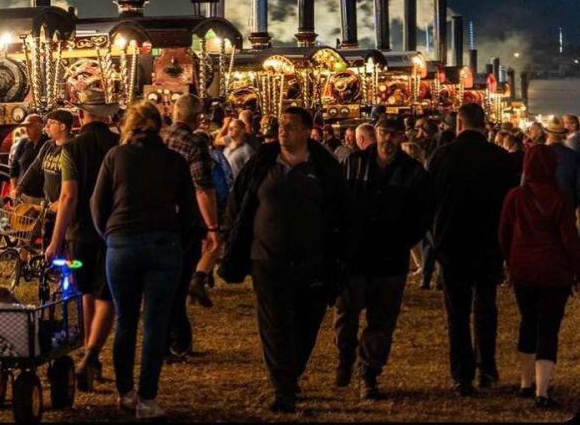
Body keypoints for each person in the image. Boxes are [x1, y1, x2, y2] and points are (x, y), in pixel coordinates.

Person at [220, 106, 347, 414]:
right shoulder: (263, 162)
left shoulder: (323, 168)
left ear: (306, 131)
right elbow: (241, 201)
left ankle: (292, 373)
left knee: (306, 323)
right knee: (274, 325)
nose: (282, 130)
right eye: (281, 125)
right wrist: (235, 238)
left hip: (311, 262)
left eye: (290, 126)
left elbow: (341, 212)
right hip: (267, 258)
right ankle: (283, 388)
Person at [91, 100, 195, 420]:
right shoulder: (174, 161)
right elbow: (189, 211)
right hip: (163, 243)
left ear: (129, 126)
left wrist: (110, 235)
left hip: (122, 243)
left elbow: (97, 204)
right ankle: (147, 399)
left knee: (125, 320)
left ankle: (125, 393)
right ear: (158, 126)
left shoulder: (116, 157)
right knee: (155, 323)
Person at [334, 116, 433, 400]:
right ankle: (345, 356)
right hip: (354, 256)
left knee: (382, 321)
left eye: (393, 134)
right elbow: (337, 203)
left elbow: (423, 214)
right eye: (383, 133)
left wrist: (402, 239)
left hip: (390, 259)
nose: (387, 140)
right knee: (346, 313)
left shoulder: (413, 173)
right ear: (375, 134)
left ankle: (369, 372)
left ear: (402, 137)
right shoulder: (354, 164)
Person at [427, 102, 515, 396]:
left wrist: (435, 237)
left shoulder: (442, 156)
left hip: (452, 243)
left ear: (459, 125)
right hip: (489, 243)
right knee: (486, 307)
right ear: (485, 124)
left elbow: (430, 200)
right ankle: (487, 368)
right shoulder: (501, 158)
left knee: (457, 310)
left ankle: (462, 374)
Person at [45, 88, 119, 391]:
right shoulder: (118, 145)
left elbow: (68, 195)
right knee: (108, 297)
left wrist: (55, 239)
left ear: (80, 115)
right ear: (108, 116)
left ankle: (90, 354)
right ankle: (93, 354)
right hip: (112, 232)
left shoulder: (72, 149)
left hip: (80, 233)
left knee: (85, 291)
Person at [499, 145, 580, 409]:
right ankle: (542, 390)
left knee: (528, 321)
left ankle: (525, 381)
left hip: (523, 269)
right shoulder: (560, 200)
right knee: (548, 328)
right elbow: (570, 240)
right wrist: (576, 271)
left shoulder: (515, 197)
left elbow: (504, 234)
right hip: (554, 272)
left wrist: (510, 262)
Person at [162, 95, 218, 356]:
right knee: (179, 281)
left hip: (158, 217)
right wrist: (212, 227)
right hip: (185, 220)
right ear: (196, 117)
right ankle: (177, 342)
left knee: (164, 284)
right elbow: (203, 187)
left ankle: (171, 340)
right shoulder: (194, 144)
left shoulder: (160, 138)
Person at [17, 109, 73, 202]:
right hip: (48, 203)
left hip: (65, 204)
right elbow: (35, 167)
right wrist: (20, 187)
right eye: (47, 123)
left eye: (51, 122)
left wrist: (60, 201)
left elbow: (79, 181)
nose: (47, 126)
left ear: (62, 126)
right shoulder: (48, 145)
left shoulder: (73, 146)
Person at [541, 116, 580, 210]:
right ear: (563, 135)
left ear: (547, 135)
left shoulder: (539, 154)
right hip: (566, 204)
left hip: (542, 203)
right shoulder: (573, 156)